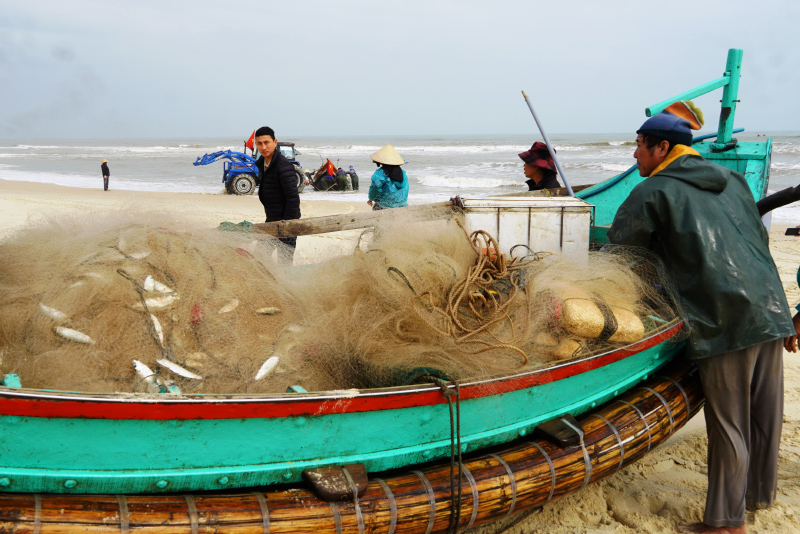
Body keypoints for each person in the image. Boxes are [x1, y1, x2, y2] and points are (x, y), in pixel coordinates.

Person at [606, 110, 794, 534]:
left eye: (639, 144)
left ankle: (726, 523)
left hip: (721, 316)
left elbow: (624, 255)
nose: (635, 153)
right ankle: (758, 496)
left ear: (662, 148)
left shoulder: (651, 191)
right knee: (765, 412)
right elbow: (757, 239)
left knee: (729, 423)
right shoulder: (734, 180)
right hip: (769, 306)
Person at [254, 126, 301, 264]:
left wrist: (286, 226)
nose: (263, 147)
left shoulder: (283, 166)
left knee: (284, 263)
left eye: (266, 142)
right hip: (272, 221)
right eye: (259, 143)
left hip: (287, 224)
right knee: (259, 259)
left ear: (275, 142)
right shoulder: (263, 163)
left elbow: (293, 198)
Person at [367, 144, 408, 210]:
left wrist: (371, 198)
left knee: (376, 208)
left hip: (385, 206)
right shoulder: (403, 173)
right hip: (402, 204)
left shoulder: (380, 173)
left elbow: (375, 187)